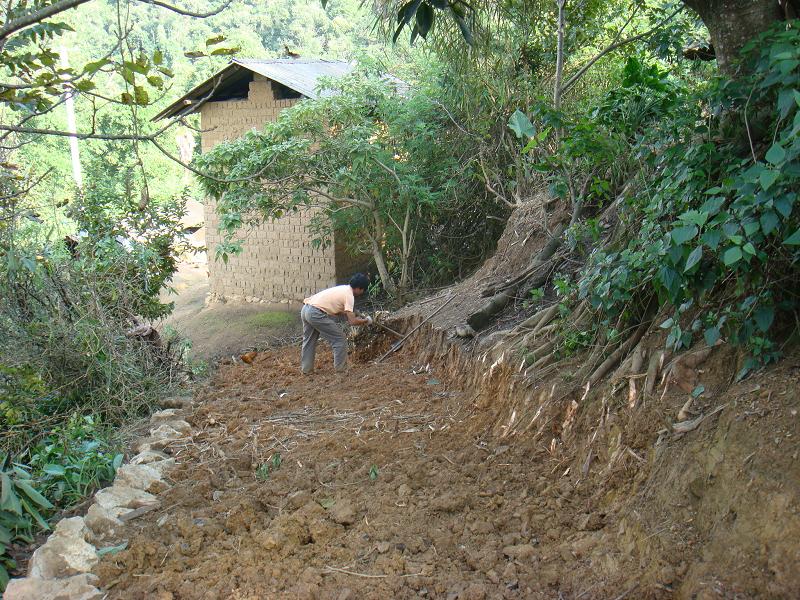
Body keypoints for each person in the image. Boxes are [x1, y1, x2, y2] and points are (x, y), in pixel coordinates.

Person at [300, 273, 372, 374]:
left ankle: (306, 370)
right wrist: (366, 321)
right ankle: (341, 369)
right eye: (362, 290)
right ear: (359, 288)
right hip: (315, 313)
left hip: (306, 309)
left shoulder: (343, 288)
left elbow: (337, 311)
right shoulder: (349, 296)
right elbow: (352, 322)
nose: (361, 293)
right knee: (339, 339)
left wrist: (349, 313)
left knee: (309, 341)